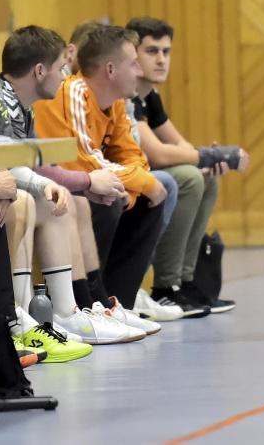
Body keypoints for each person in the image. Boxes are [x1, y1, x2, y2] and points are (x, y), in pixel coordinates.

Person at [33, 25, 166, 311]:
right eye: (133, 64)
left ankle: (119, 304)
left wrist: (137, 187)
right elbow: (83, 163)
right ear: (110, 69)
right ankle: (91, 303)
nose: (139, 71)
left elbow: (133, 154)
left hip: (89, 183)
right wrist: (141, 184)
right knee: (113, 198)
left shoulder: (116, 101)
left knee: (143, 197)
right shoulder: (74, 93)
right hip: (60, 187)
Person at [126, 17, 250, 315]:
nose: (161, 60)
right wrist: (209, 157)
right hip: (124, 175)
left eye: (166, 52)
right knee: (189, 177)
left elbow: (180, 146)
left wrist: (209, 160)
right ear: (133, 53)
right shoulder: (129, 96)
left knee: (204, 178)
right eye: (152, 51)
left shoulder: (150, 96)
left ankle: (185, 280)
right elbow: (156, 153)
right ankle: (166, 287)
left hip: (142, 173)